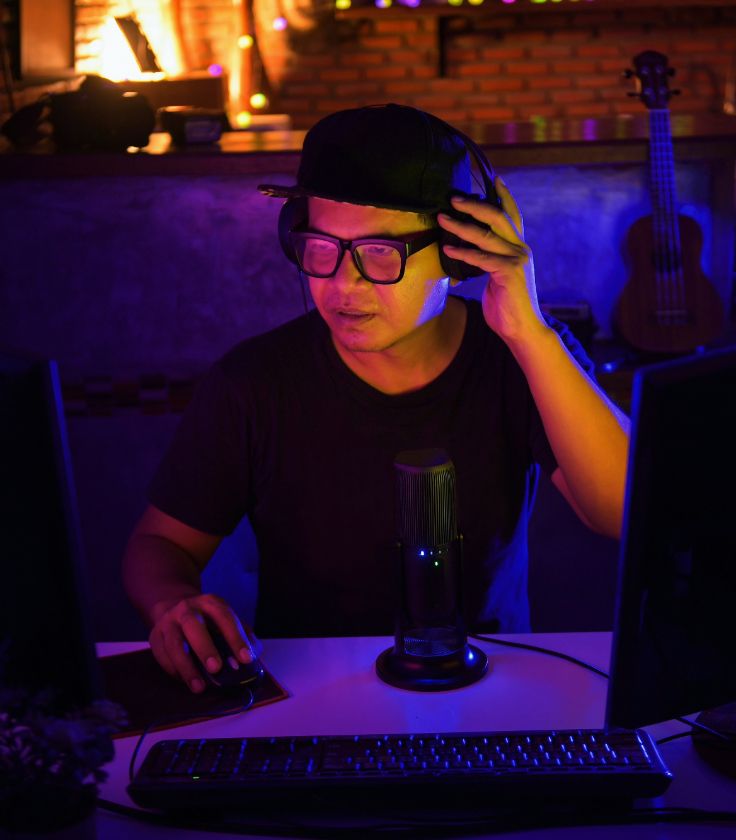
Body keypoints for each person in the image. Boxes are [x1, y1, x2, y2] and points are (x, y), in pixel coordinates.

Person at [122, 104, 630, 694]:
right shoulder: (252, 382)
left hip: (492, 686)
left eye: (380, 254)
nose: (343, 285)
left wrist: (528, 332)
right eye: (320, 248)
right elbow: (158, 544)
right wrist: (171, 605)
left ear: (456, 253)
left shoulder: (520, 357)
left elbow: (622, 512)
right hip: (307, 693)